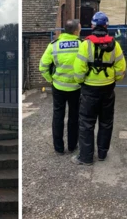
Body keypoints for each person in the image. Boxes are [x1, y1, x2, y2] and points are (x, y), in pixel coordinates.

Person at [72, 11, 126, 165]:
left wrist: (81, 82)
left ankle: (86, 157)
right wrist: (114, 78)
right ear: (107, 26)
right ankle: (102, 153)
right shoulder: (115, 45)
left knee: (86, 124)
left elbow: (79, 69)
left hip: (89, 89)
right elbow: (121, 68)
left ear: (92, 26)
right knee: (106, 122)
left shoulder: (85, 44)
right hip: (108, 89)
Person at [39, 19, 82, 155]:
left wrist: (50, 79)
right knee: (74, 116)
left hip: (58, 86)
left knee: (58, 116)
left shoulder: (54, 45)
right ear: (76, 31)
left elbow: (43, 66)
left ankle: (58, 147)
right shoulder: (82, 45)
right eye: (79, 27)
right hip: (76, 87)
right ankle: (72, 145)